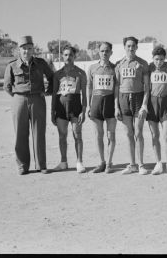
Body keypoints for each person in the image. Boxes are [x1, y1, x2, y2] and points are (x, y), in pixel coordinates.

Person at [3, 36, 54, 175]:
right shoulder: (12, 65)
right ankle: (22, 166)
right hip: (19, 100)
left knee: (39, 133)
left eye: (29, 48)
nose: (27, 51)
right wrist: (17, 97)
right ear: (19, 50)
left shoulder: (41, 63)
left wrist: (47, 91)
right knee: (20, 134)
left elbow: (51, 77)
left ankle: (41, 165)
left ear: (33, 50)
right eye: (24, 49)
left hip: (37, 99)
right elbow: (7, 86)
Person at [115, 36, 150, 175]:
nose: (131, 48)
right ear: (124, 47)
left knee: (138, 132)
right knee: (129, 133)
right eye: (128, 46)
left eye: (133, 46)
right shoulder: (119, 64)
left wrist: (144, 105)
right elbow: (117, 86)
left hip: (138, 97)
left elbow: (147, 86)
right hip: (123, 98)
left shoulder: (143, 64)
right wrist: (116, 106)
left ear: (136, 47)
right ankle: (132, 164)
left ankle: (141, 164)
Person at [51, 45, 88, 173]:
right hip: (61, 109)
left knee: (77, 134)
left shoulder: (80, 73)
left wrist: (83, 110)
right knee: (62, 136)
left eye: (70, 55)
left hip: (75, 107)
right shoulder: (57, 74)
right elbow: (54, 94)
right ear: (62, 56)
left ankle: (79, 162)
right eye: (66, 55)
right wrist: (52, 111)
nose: (68, 57)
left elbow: (84, 94)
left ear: (74, 56)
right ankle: (63, 162)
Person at [87, 42, 117, 173]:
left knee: (111, 135)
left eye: (107, 51)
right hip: (96, 103)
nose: (105, 53)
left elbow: (116, 89)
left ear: (111, 52)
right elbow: (89, 87)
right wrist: (88, 105)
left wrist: (116, 107)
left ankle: (110, 162)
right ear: (98, 52)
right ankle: (102, 162)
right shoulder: (92, 68)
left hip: (110, 102)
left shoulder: (115, 68)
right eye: (102, 51)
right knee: (98, 135)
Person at [146, 46, 167, 176]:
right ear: (153, 59)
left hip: (166, 103)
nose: (159, 62)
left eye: (161, 59)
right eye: (156, 59)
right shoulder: (149, 67)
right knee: (154, 136)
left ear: (165, 59)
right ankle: (158, 163)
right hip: (152, 103)